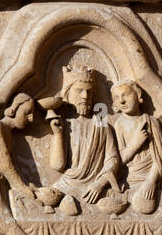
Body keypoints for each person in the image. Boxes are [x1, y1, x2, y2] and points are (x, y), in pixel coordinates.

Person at [49, 67, 122, 213]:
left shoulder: (101, 125)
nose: (85, 96)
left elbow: (112, 158)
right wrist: (57, 134)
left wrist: (100, 184)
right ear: (68, 94)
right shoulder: (63, 124)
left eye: (89, 92)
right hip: (67, 185)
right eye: (79, 91)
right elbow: (57, 165)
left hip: (95, 187)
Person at [111, 80, 162, 215]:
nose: (122, 101)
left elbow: (160, 157)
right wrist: (135, 144)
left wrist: (151, 181)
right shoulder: (119, 125)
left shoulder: (151, 122)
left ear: (138, 96)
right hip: (130, 179)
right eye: (117, 98)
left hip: (150, 179)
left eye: (126, 95)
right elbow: (119, 160)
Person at [0, 93, 38, 218]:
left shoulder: (7, 132)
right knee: (5, 222)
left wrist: (25, 185)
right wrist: (23, 188)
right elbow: (5, 165)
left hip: (2, 182)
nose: (30, 119)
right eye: (27, 112)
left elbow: (12, 165)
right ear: (14, 109)